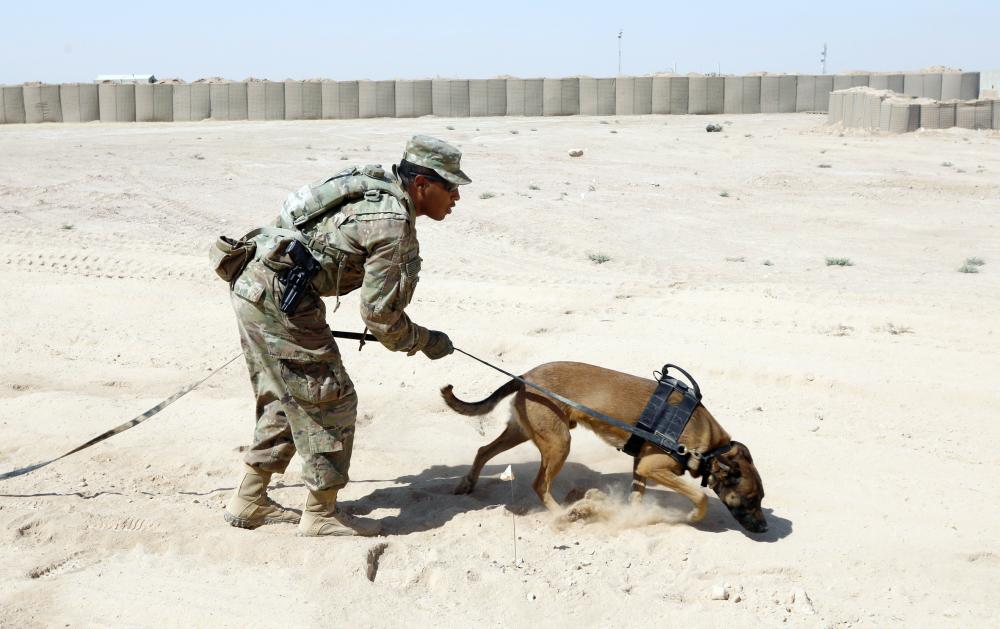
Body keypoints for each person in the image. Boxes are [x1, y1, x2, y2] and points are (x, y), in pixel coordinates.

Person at [222, 135, 470, 536]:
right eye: (451, 186)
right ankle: (320, 514)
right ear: (422, 184)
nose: (457, 196)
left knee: (289, 395)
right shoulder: (393, 224)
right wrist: (426, 341)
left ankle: (249, 499)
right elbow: (381, 319)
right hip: (282, 300)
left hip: (256, 283)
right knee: (329, 399)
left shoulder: (371, 185)